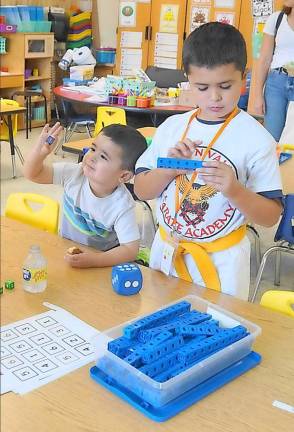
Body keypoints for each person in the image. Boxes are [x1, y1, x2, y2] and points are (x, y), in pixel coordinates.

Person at [134, 22, 283, 300]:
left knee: (217, 332)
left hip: (220, 262)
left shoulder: (257, 139)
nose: (214, 97)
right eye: (202, 87)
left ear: (243, 78)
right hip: (167, 252)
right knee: (158, 323)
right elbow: (141, 190)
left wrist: (234, 189)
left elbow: (271, 216)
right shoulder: (172, 128)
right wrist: (168, 171)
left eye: (225, 86)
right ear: (188, 80)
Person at [23, 123, 147, 268]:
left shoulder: (122, 205)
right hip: (66, 252)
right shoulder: (73, 174)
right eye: (93, 148)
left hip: (100, 264)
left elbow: (130, 250)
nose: (91, 157)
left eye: (103, 156)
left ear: (124, 175)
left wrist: (94, 260)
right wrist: (41, 152)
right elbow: (32, 174)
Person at [254, 2, 294, 141]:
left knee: (291, 140)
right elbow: (264, 59)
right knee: (271, 138)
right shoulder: (276, 19)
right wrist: (258, 95)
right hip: (276, 83)